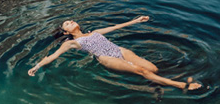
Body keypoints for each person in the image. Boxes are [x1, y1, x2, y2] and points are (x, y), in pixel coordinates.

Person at [27, 15, 202, 91]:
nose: (71, 22)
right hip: (106, 58)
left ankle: (152, 82)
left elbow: (116, 27)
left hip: (119, 51)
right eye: (67, 24)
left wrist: (136, 21)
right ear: (66, 32)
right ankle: (180, 85)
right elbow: (53, 56)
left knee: (153, 69)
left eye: (71, 20)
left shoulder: (94, 32)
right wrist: (36, 66)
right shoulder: (72, 43)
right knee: (143, 71)